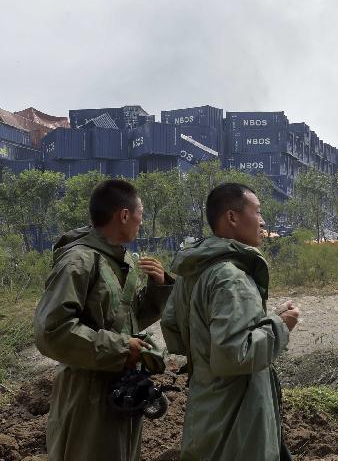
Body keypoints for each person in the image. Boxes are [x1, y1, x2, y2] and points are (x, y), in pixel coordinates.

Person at [33, 179, 174, 461]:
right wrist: (122, 348)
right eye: (140, 214)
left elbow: (126, 319)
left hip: (124, 390)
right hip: (87, 394)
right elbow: (51, 331)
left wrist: (159, 286)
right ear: (124, 215)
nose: (141, 222)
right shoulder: (78, 261)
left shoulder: (122, 261)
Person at [161, 183, 300, 461]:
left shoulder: (193, 271)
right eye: (257, 212)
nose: (262, 221)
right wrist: (279, 325)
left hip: (205, 411)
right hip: (237, 422)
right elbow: (234, 355)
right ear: (232, 218)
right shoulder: (230, 277)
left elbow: (173, 330)